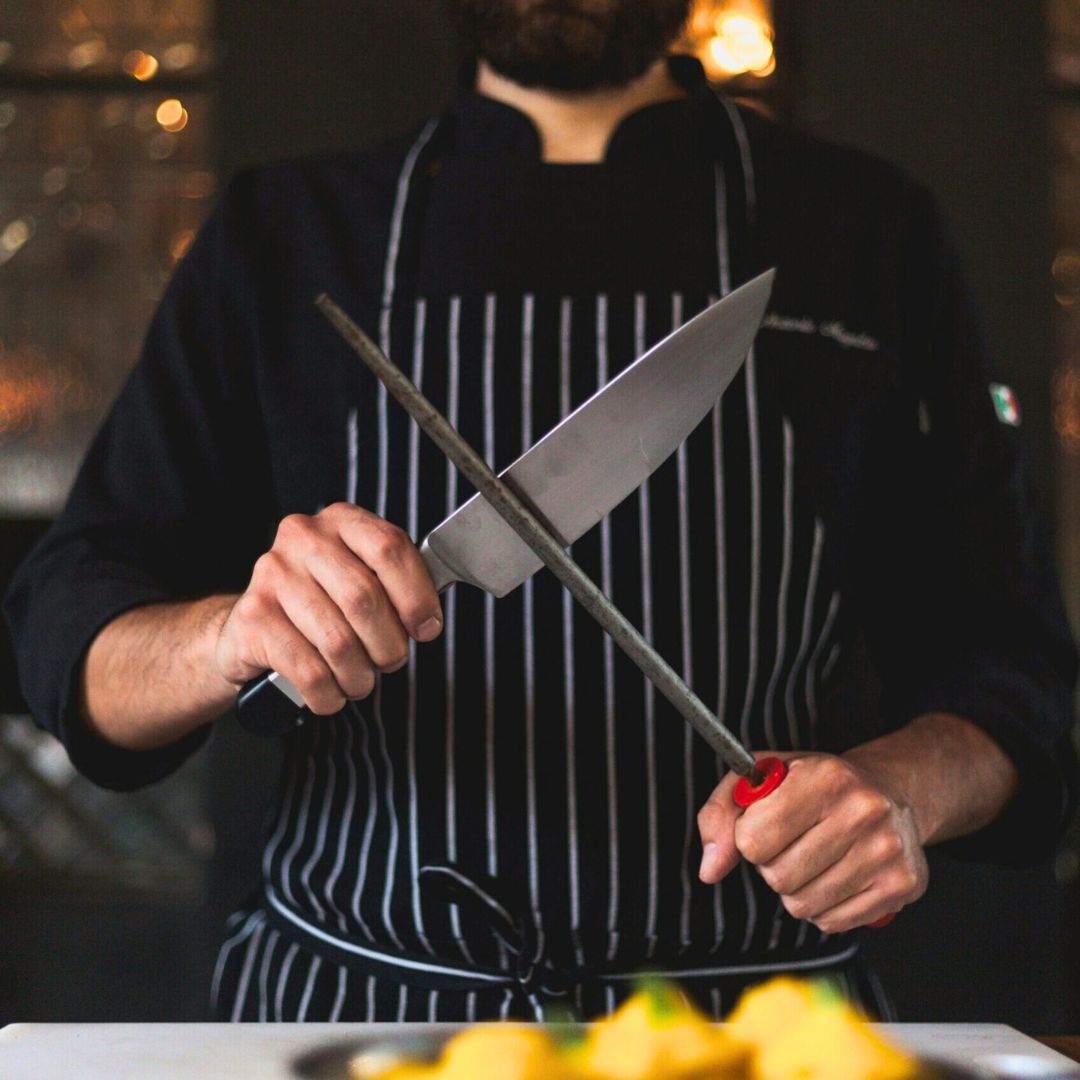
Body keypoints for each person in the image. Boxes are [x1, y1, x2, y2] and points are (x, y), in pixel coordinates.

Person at [5, 0, 1077, 1023]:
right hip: (357, 1009)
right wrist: (228, 637)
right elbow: (70, 640)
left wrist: (902, 789)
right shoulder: (286, 235)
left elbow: (1018, 675)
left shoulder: (866, 233)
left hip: (748, 1030)